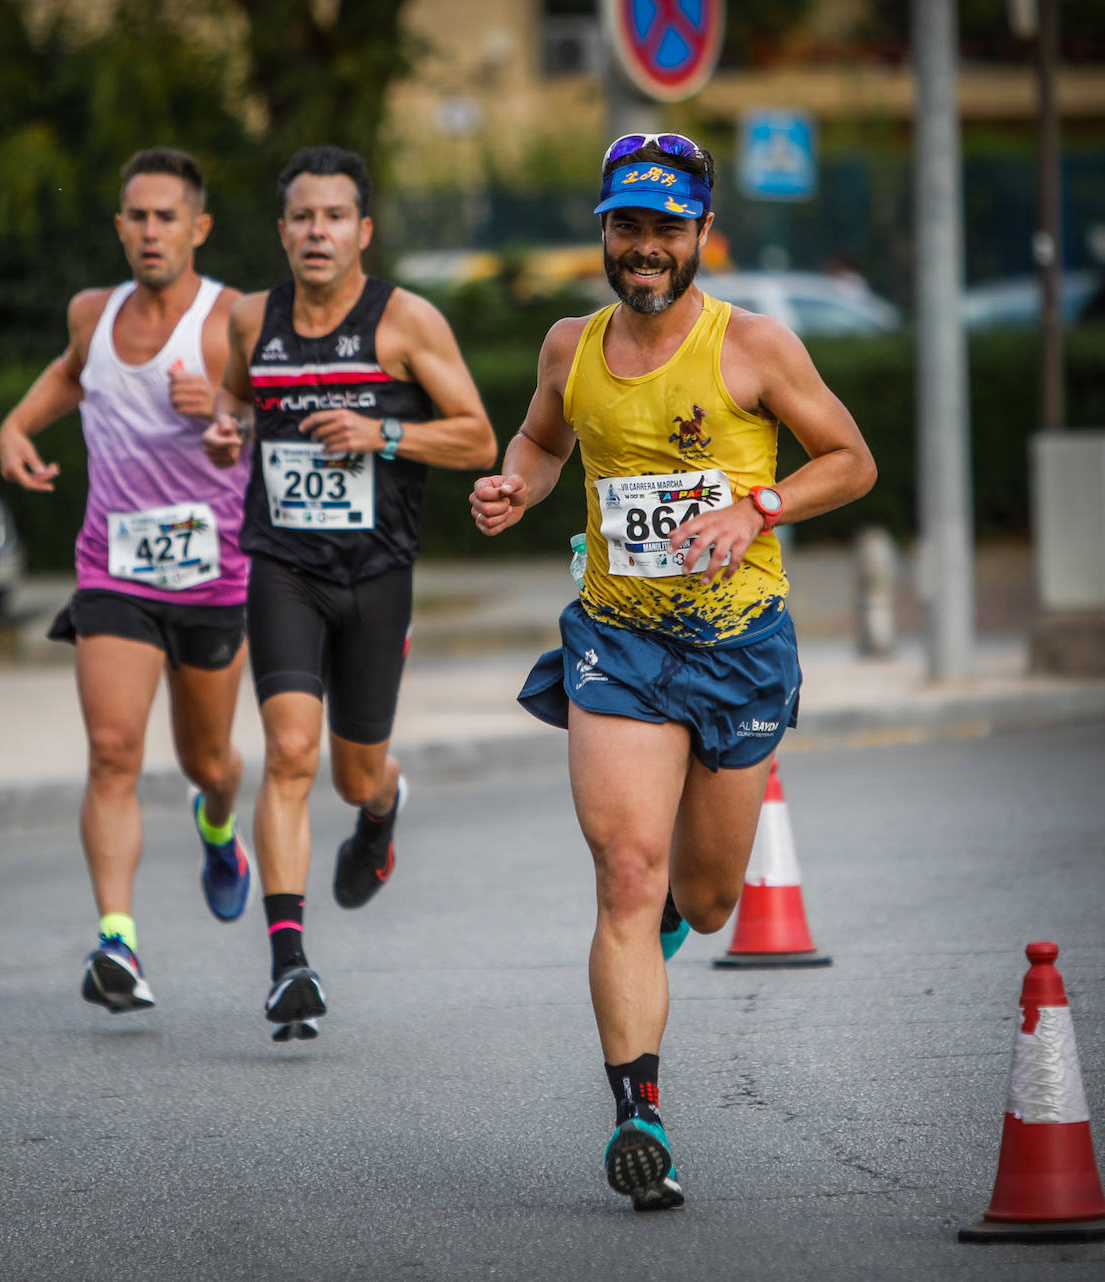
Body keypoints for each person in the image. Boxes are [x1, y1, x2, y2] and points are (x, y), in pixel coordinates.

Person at [469, 132, 876, 1210]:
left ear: (700, 234)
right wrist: (517, 485)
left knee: (705, 890)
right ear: (604, 232)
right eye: (625, 227)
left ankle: (661, 941)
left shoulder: (757, 347)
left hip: (738, 646)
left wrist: (759, 505)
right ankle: (638, 1110)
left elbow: (851, 459)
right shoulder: (572, 345)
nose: (642, 248)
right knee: (627, 871)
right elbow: (542, 442)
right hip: (620, 641)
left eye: (663, 228)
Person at [203, 145, 496, 1041]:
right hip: (283, 565)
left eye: (334, 217)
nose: (316, 232)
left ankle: (380, 808)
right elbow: (236, 406)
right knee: (288, 751)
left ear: (363, 230)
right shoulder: (251, 320)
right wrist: (227, 432)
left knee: (351, 771)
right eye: (301, 217)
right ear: (282, 229)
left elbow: (480, 438)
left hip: (377, 574)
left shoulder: (405, 322)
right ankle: (290, 963)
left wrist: (383, 433)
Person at [0, 147, 253, 1015]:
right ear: (120, 226)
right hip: (113, 567)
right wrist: (18, 425)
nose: (150, 232)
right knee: (112, 752)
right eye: (136, 217)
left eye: (166, 217)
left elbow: (270, 424)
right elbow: (74, 374)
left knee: (208, 761)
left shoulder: (230, 322)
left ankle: (218, 826)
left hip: (214, 573)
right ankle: (118, 940)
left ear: (198, 228)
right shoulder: (90, 314)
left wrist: (220, 417)